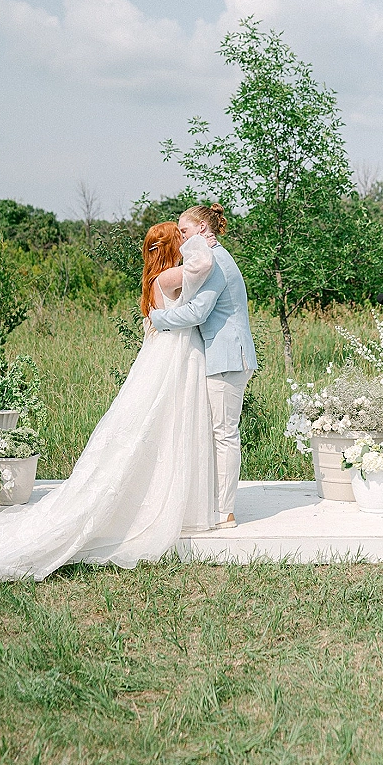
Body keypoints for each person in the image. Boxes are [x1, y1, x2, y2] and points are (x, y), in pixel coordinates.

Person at [0, 223, 215, 595]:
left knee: (163, 426)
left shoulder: (155, 277)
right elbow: (202, 267)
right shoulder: (169, 277)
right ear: (172, 247)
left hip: (169, 355)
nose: (187, 245)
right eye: (180, 240)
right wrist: (206, 241)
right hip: (171, 357)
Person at [150, 204, 257, 529]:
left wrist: (157, 318)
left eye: (184, 231)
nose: (181, 239)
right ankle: (217, 504)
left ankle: (224, 511)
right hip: (227, 356)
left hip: (227, 357)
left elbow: (198, 312)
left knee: (224, 434)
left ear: (201, 229)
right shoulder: (214, 258)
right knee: (219, 433)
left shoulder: (216, 263)